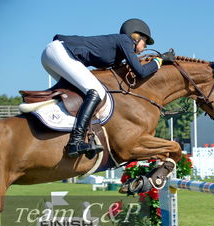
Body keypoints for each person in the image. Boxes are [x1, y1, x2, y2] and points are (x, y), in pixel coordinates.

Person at [41, 18, 175, 159]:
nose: (145, 46)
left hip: (54, 53)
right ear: (136, 36)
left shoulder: (118, 52)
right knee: (96, 91)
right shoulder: (125, 40)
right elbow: (140, 71)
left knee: (78, 93)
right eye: (145, 42)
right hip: (60, 52)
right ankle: (76, 141)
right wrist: (159, 60)